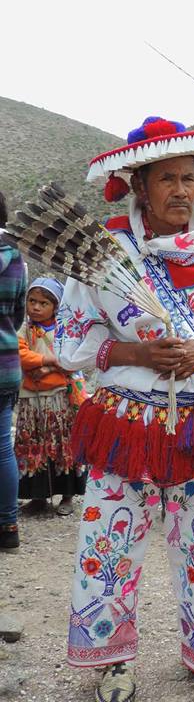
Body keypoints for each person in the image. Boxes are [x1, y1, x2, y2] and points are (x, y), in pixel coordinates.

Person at [58, 116, 194, 702]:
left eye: (188, 178)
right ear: (139, 187)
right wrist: (135, 352)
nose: (181, 191)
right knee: (111, 540)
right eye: (167, 180)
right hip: (125, 423)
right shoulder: (105, 257)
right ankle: (112, 661)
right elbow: (70, 343)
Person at [16, 277, 86, 515]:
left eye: (43, 303)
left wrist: (45, 368)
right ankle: (38, 498)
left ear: (56, 306)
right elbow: (19, 354)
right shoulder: (24, 329)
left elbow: (72, 359)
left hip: (59, 397)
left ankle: (67, 495)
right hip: (31, 399)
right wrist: (49, 360)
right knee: (34, 445)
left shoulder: (64, 330)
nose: (35, 307)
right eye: (32, 301)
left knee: (62, 444)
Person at [0, 191, 27, 553]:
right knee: (2, 446)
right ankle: (8, 526)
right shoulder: (14, 255)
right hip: (4, 362)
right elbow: (19, 312)